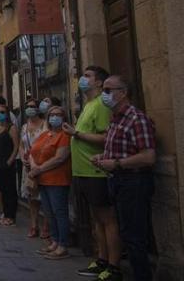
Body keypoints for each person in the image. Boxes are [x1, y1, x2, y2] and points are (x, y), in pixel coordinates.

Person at [91, 76, 156, 281]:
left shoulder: (136, 119)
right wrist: (103, 158)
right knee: (126, 233)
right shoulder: (115, 119)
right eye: (103, 89)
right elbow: (119, 151)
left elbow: (148, 156)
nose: (105, 94)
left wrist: (117, 164)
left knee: (135, 237)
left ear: (123, 92)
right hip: (117, 180)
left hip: (133, 181)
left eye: (109, 90)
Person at [62, 66, 122, 279]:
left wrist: (76, 133)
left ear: (98, 83)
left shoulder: (101, 106)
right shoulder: (88, 105)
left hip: (96, 171)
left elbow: (107, 138)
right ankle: (101, 259)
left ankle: (114, 266)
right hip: (83, 171)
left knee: (108, 219)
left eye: (88, 76)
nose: (82, 79)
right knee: (97, 219)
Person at [29, 106, 73, 260]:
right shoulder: (45, 135)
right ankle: (54, 241)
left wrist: (39, 169)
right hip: (42, 180)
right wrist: (34, 167)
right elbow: (31, 151)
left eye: (58, 115)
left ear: (64, 118)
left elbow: (60, 157)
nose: (54, 117)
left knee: (59, 212)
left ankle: (63, 245)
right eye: (52, 115)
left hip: (57, 179)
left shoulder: (65, 135)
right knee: (49, 212)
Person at [20, 98, 49, 239]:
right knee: (32, 197)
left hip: (42, 166)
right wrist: (23, 158)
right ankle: (34, 225)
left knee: (44, 197)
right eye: (28, 106)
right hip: (28, 167)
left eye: (32, 106)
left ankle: (46, 226)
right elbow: (21, 145)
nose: (29, 108)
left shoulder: (45, 125)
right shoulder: (24, 127)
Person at [0, 103, 20, 226]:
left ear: (7, 114)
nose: (0, 114)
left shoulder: (11, 128)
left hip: (7, 162)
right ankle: (5, 213)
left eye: (3, 112)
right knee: (2, 189)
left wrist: (10, 161)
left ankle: (11, 216)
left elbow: (16, 146)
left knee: (10, 190)